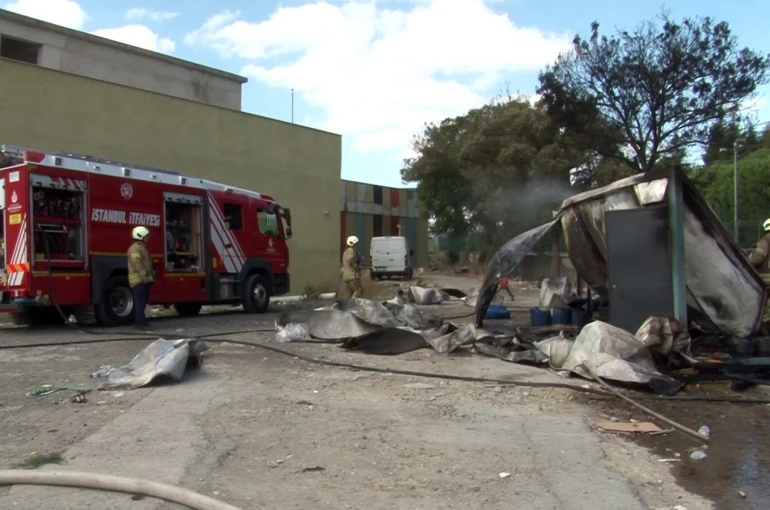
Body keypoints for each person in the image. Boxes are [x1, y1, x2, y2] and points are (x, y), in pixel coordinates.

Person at [127, 226, 154, 330]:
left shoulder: (140, 247)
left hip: (142, 280)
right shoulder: (135, 248)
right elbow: (136, 263)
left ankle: (142, 322)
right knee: (140, 303)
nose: (147, 238)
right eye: (146, 236)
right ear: (140, 236)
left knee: (142, 302)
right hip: (139, 281)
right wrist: (144, 275)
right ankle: (139, 324)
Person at [749, 218, 770, 327]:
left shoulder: (766, 240)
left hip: (766, 279)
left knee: (762, 306)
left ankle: (764, 326)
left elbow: (756, 259)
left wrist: (749, 258)